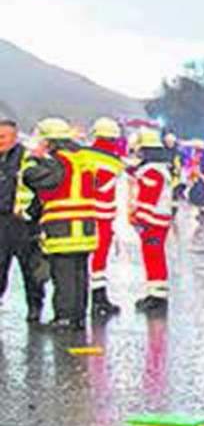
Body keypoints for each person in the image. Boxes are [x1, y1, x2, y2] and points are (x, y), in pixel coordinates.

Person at [21, 118, 99, 330]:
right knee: (80, 273)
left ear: (50, 141)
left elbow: (35, 179)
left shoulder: (58, 161)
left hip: (64, 227)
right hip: (86, 226)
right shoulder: (82, 160)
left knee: (63, 274)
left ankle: (64, 317)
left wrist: (31, 160)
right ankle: (78, 317)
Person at [0, 119, 48, 321]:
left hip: (24, 223)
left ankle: (35, 306)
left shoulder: (28, 158)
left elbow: (40, 190)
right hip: (1, 221)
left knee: (30, 269)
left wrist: (32, 213)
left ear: (14, 137)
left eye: (3, 137)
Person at [82, 117, 126, 318]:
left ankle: (77, 298)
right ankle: (99, 299)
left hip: (81, 212)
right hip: (103, 216)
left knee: (79, 258)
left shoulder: (82, 155)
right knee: (99, 259)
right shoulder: (115, 162)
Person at [129, 129, 174, 312]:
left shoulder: (151, 172)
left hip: (153, 222)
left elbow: (148, 199)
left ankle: (158, 298)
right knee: (153, 256)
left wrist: (139, 220)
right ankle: (155, 293)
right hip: (157, 221)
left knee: (154, 257)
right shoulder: (158, 169)